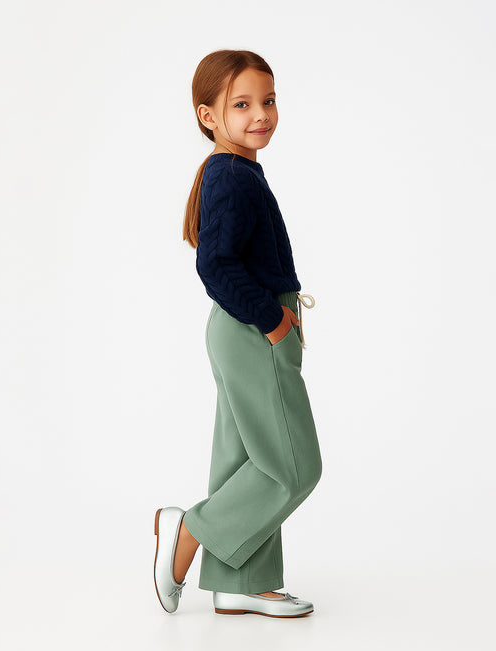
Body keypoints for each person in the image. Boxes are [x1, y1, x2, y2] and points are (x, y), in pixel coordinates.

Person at [153, 49, 323, 618]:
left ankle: (240, 582)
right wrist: (273, 321)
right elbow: (215, 264)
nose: (261, 115)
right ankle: (190, 529)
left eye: (268, 101)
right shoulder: (230, 175)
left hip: (239, 328)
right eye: (242, 104)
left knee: (246, 458)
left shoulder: (235, 171)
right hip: (253, 327)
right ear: (208, 116)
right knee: (293, 467)